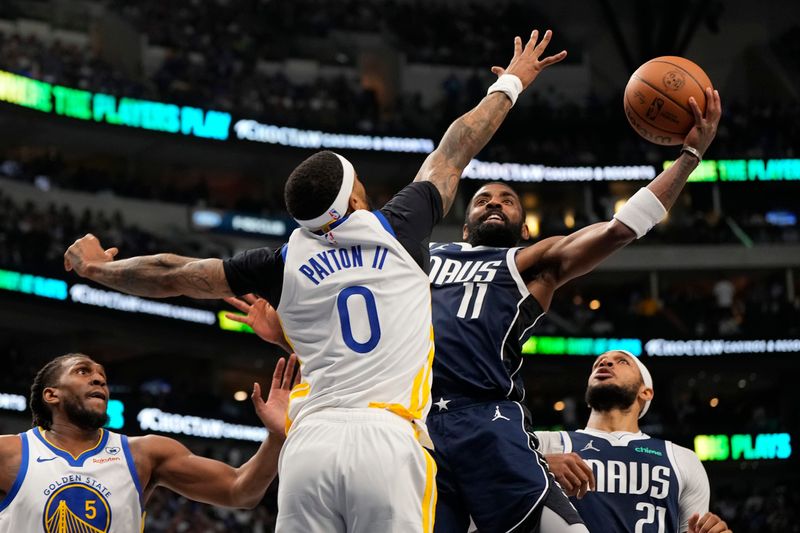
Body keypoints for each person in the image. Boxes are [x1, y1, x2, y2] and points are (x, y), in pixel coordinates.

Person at [63, 29, 567, 533]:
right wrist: (512, 85)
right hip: (387, 437)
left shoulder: (280, 263)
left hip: (309, 445)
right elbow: (456, 147)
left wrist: (96, 269)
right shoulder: (399, 226)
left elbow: (175, 274)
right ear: (352, 202)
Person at [227, 89, 723, 533]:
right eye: (483, 197)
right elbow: (354, 322)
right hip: (411, 431)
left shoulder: (529, 263)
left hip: (486, 422)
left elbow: (620, 228)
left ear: (524, 228)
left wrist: (689, 157)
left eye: (508, 200)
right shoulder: (412, 258)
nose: (494, 202)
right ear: (462, 226)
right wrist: (285, 334)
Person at [0, 351, 297, 532]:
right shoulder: (9, 453)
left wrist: (276, 436)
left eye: (102, 376)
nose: (99, 379)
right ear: (51, 395)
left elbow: (239, 490)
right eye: (83, 371)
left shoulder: (144, 453)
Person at [535, 350, 732, 533]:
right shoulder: (543, 443)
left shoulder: (682, 459)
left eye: (622, 361)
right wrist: (535, 465)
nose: (605, 362)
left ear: (646, 392)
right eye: (598, 363)